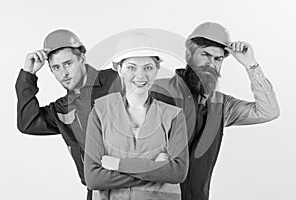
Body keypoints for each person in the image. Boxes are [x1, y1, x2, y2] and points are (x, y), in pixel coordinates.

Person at [152, 22, 280, 200]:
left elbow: (269, 111)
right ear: (189, 54)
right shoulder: (156, 92)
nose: (211, 64)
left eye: (218, 59)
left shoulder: (221, 105)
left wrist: (250, 64)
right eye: (205, 54)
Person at [15, 29, 119, 200]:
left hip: (139, 187)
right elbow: (28, 123)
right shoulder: (62, 109)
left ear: (82, 58)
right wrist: (28, 74)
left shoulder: (117, 80)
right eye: (56, 67)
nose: (63, 73)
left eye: (68, 63)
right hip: (98, 193)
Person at [84, 33, 189, 199]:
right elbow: (93, 179)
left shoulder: (173, 116)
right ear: (119, 70)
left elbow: (177, 173)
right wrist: (156, 169)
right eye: (131, 67)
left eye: (148, 67)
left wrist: (119, 164)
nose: (140, 76)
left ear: (156, 70)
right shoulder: (99, 113)